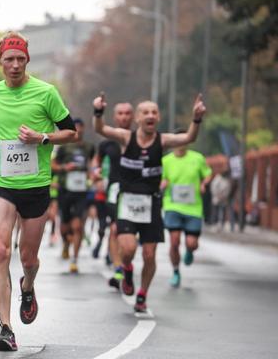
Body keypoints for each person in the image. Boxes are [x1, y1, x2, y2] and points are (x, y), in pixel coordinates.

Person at [0, 31, 78, 351]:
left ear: (27, 60)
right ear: (0, 62)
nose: (14, 65)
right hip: (2, 185)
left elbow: (71, 132)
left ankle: (27, 286)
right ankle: (5, 328)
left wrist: (42, 138)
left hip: (36, 186)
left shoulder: (46, 93)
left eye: (20, 59)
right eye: (9, 60)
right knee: (1, 251)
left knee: (28, 257)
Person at [92, 93, 206, 313]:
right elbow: (101, 129)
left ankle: (142, 294)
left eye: (154, 112)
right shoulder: (126, 138)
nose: (150, 115)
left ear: (159, 117)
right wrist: (98, 112)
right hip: (128, 200)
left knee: (150, 255)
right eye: (145, 112)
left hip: (151, 202)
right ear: (137, 118)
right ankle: (126, 269)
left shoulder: (162, 140)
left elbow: (189, 138)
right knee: (128, 248)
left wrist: (196, 118)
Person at [161, 132, 212, 287]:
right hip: (172, 205)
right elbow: (162, 178)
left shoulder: (197, 158)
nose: (181, 142)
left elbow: (208, 174)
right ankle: (176, 271)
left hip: (193, 207)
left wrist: (204, 184)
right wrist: (163, 184)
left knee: (191, 243)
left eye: (185, 139)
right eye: (178, 140)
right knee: (174, 241)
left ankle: (189, 252)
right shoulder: (166, 161)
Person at [91, 102, 133, 288]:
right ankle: (118, 270)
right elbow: (96, 162)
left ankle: (126, 264)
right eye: (120, 114)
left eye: (127, 114)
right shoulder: (107, 143)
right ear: (115, 117)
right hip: (115, 191)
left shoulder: (140, 139)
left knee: (130, 236)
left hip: (137, 193)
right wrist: (95, 172)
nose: (124, 117)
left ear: (133, 117)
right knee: (115, 229)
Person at [52, 118, 95, 273]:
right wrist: (65, 167)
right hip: (65, 189)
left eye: (81, 128)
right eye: (75, 128)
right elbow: (53, 165)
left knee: (77, 226)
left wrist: (93, 175)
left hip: (81, 190)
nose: (78, 131)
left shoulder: (89, 147)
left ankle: (74, 259)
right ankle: (65, 243)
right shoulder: (64, 147)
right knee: (64, 227)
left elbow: (93, 164)